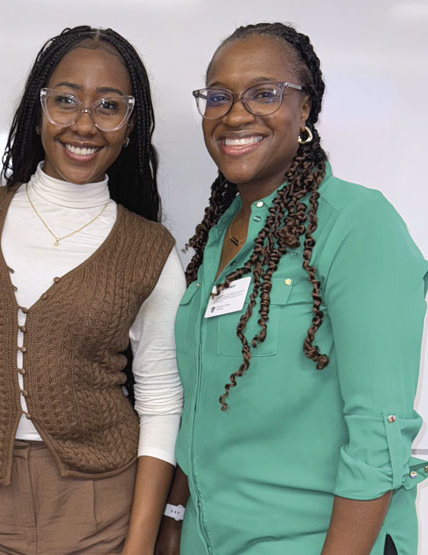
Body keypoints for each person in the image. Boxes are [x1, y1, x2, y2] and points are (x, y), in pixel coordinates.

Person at [158, 22, 428, 555]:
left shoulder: (356, 223)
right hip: (207, 540)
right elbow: (204, 403)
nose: (235, 114)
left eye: (264, 93)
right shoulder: (219, 234)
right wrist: (173, 517)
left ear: (304, 110)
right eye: (218, 96)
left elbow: (379, 432)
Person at [0, 25, 184, 555]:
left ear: (130, 125)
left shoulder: (151, 248)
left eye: (108, 106)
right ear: (38, 109)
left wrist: (138, 545)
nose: (83, 124)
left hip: (102, 509)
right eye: (65, 100)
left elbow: (160, 399)